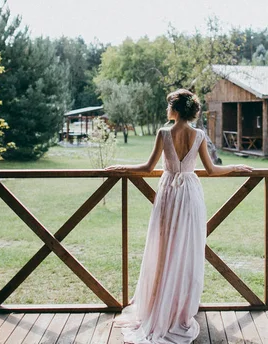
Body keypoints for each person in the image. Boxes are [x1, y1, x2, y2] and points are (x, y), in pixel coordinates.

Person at [105, 89, 253, 343]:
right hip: (190, 196)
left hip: (169, 195)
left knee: (163, 248)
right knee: (186, 250)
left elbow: (147, 168)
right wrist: (235, 167)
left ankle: (159, 306)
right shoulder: (199, 135)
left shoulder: (164, 134)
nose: (166, 110)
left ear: (175, 109)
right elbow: (212, 169)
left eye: (168, 106)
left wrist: (122, 168)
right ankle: (178, 308)